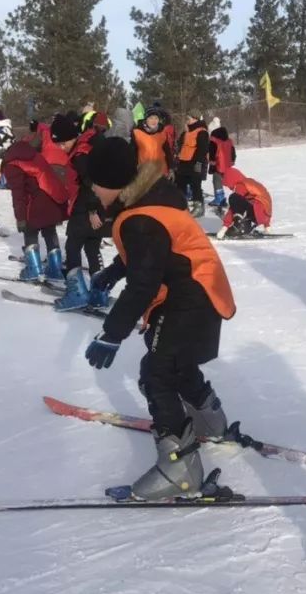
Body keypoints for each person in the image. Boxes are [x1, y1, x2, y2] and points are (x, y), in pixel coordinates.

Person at [83, 140, 237, 500]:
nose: (92, 189)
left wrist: (111, 333)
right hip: (201, 288)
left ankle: (179, 470)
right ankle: (211, 422)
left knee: (157, 372)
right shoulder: (150, 199)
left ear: (115, 182)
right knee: (176, 363)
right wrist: (113, 271)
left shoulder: (140, 219)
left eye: (96, 182)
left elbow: (143, 283)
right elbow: (149, 254)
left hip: (189, 296)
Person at [52, 113, 110, 311]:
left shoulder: (80, 154)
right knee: (92, 247)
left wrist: (93, 210)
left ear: (70, 137)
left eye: (62, 143)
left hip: (87, 206)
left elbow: (93, 181)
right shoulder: (87, 144)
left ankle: (77, 293)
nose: (61, 148)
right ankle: (100, 292)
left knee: (72, 246)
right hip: (99, 203)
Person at [2, 122, 69, 284]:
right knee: (49, 229)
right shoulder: (33, 155)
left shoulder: (12, 164)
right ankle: (55, 268)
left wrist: (21, 218)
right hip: (53, 197)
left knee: (30, 230)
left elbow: (18, 194)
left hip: (38, 201)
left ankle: (33, 268)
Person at [215, 168, 271, 239]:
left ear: (231, 179)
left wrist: (224, 228)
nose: (229, 187)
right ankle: (245, 228)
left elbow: (232, 209)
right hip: (262, 215)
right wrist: (267, 226)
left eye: (228, 185)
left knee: (233, 197)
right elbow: (266, 204)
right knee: (242, 203)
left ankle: (238, 225)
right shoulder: (249, 183)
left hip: (256, 212)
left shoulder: (241, 186)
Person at [175, 112, 210, 217]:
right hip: (184, 162)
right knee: (180, 183)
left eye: (189, 118)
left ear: (196, 119)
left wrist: (198, 164)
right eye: (187, 118)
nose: (187, 120)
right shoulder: (187, 131)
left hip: (196, 162)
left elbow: (202, 149)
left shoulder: (202, 132)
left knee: (195, 184)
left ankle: (198, 206)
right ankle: (181, 204)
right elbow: (180, 144)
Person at [131, 104, 172, 177]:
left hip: (161, 172)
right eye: (151, 118)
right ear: (146, 119)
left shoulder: (162, 132)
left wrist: (171, 168)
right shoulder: (136, 132)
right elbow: (132, 153)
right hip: (144, 172)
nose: (154, 121)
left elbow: (168, 152)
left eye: (156, 118)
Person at [208, 121, 235, 208]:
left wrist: (211, 161)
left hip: (218, 165)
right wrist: (232, 160)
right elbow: (233, 152)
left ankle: (219, 198)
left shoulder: (214, 141)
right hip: (227, 165)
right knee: (229, 181)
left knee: (216, 181)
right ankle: (237, 194)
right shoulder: (229, 141)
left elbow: (212, 152)